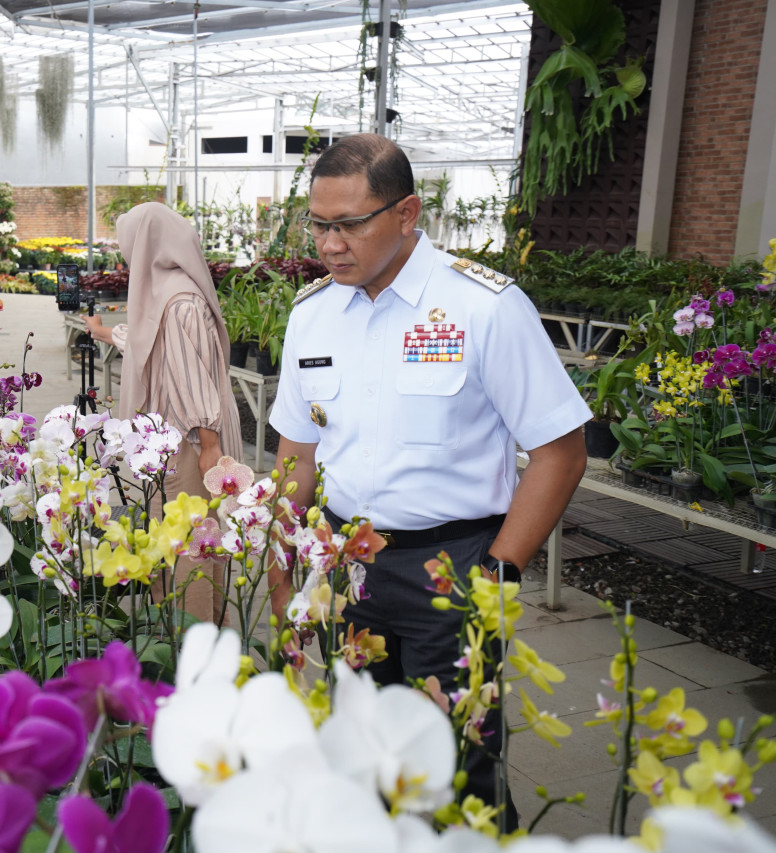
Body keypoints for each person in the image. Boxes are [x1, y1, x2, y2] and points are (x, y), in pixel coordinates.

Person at [267, 134, 590, 827]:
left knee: (459, 764)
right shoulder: (311, 315)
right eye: (318, 224)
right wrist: (282, 574)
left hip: (456, 567)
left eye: (349, 223)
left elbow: (560, 450)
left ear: (408, 212)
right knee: (363, 754)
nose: (329, 243)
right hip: (348, 564)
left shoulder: (483, 307)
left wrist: (497, 574)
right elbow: (296, 460)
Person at [84, 202, 245, 626]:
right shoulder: (169, 292)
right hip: (178, 442)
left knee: (189, 543)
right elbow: (147, 344)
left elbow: (191, 382)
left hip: (190, 444)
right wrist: (101, 330)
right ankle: (202, 632)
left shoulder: (179, 304)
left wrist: (210, 449)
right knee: (189, 535)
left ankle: (194, 638)